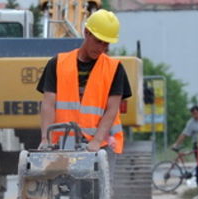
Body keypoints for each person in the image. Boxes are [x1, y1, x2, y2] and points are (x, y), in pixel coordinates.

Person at [36, 9, 132, 156]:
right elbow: (48, 104)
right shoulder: (58, 63)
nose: (101, 48)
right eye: (98, 41)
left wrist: (97, 141)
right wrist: (45, 139)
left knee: (100, 180)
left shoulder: (114, 69)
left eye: (105, 44)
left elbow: (112, 110)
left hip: (102, 145)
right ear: (86, 32)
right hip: (61, 144)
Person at [172, 105, 198, 187]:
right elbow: (184, 134)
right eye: (193, 114)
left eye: (196, 113)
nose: (195, 115)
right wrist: (176, 144)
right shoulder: (191, 123)